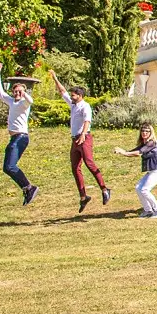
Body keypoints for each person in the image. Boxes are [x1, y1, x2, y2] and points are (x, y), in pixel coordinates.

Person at [52, 73, 109, 211]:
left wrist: (83, 134)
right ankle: (83, 197)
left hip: (84, 138)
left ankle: (104, 189)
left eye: (74, 95)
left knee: (89, 163)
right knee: (75, 167)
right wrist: (55, 78)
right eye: (71, 95)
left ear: (80, 96)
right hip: (75, 139)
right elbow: (62, 91)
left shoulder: (85, 106)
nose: (71, 97)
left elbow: (87, 121)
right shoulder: (73, 105)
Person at [0, 64, 41, 206]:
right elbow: (0, 92)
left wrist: (24, 91)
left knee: (10, 166)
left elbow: (31, 100)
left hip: (21, 137)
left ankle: (29, 188)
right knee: (8, 167)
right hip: (14, 138)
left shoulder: (24, 104)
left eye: (20, 92)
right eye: (15, 91)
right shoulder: (12, 102)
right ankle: (28, 188)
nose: (17, 94)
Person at [113, 125, 157, 218]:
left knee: (144, 190)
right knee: (138, 188)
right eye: (143, 131)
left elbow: (139, 153)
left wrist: (124, 152)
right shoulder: (144, 143)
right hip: (152, 171)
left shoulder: (151, 143)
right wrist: (123, 151)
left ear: (151, 133)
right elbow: (134, 151)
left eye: (147, 131)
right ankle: (148, 210)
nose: (144, 133)